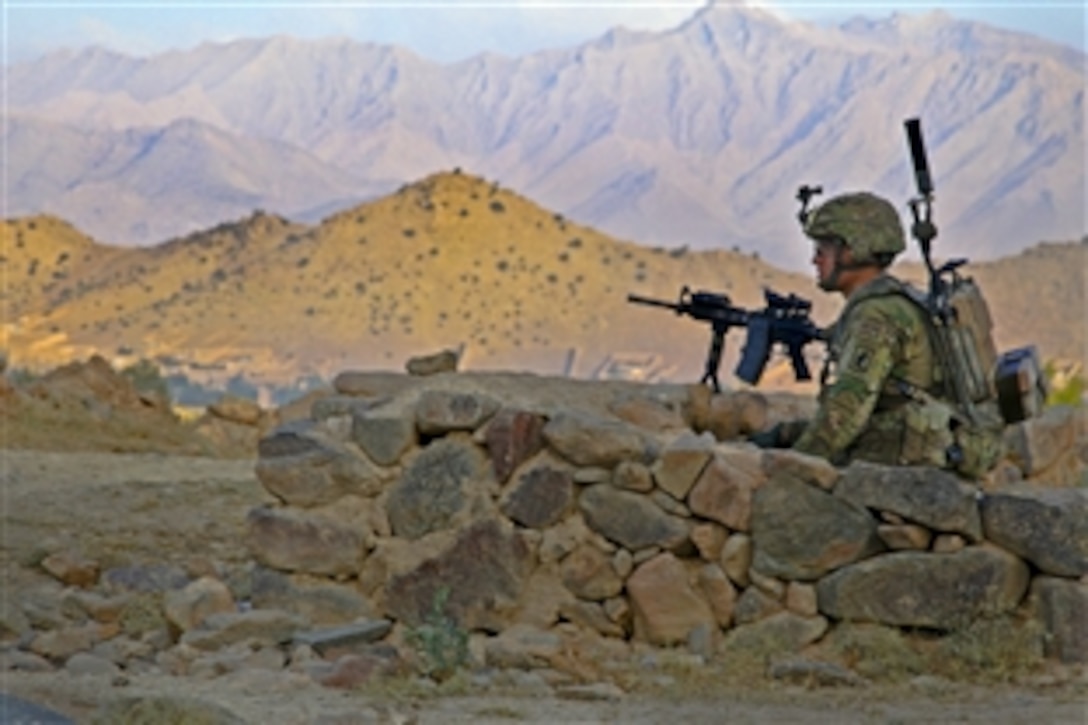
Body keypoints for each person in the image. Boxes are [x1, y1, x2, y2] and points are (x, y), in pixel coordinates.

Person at [751, 191, 960, 469]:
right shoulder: (892, 301)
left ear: (851, 252)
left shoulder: (876, 316)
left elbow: (844, 413)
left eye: (822, 251)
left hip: (901, 468)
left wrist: (790, 467)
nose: (815, 261)